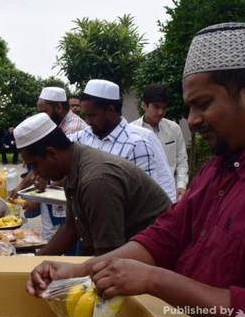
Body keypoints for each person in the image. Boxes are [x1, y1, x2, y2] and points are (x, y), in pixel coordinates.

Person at [26, 22, 245, 317]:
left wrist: (155, 279)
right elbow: (166, 234)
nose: (193, 120)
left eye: (204, 104)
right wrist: (80, 269)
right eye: (190, 107)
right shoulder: (218, 169)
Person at [15, 113, 170, 256]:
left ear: (51, 154)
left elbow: (108, 256)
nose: (36, 174)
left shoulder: (96, 180)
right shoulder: (73, 165)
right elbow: (71, 227)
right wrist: (34, 262)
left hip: (157, 257)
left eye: (35, 165)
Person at [69, 80, 176, 202]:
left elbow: (148, 196)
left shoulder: (137, 144)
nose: (87, 121)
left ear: (110, 110)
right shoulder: (84, 136)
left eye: (92, 115)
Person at [11, 86, 88, 243]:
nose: (41, 116)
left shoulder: (73, 128)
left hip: (67, 201)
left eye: (44, 111)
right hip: (54, 198)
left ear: (58, 107)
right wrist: (20, 188)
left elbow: (55, 166)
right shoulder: (53, 124)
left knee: (67, 242)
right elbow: (40, 164)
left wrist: (38, 198)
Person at [131, 84, 189, 200]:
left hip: (170, 194)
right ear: (144, 105)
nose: (161, 112)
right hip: (141, 196)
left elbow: (181, 161)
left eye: (164, 108)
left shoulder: (174, 129)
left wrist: (181, 186)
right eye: (156, 107)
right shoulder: (131, 131)